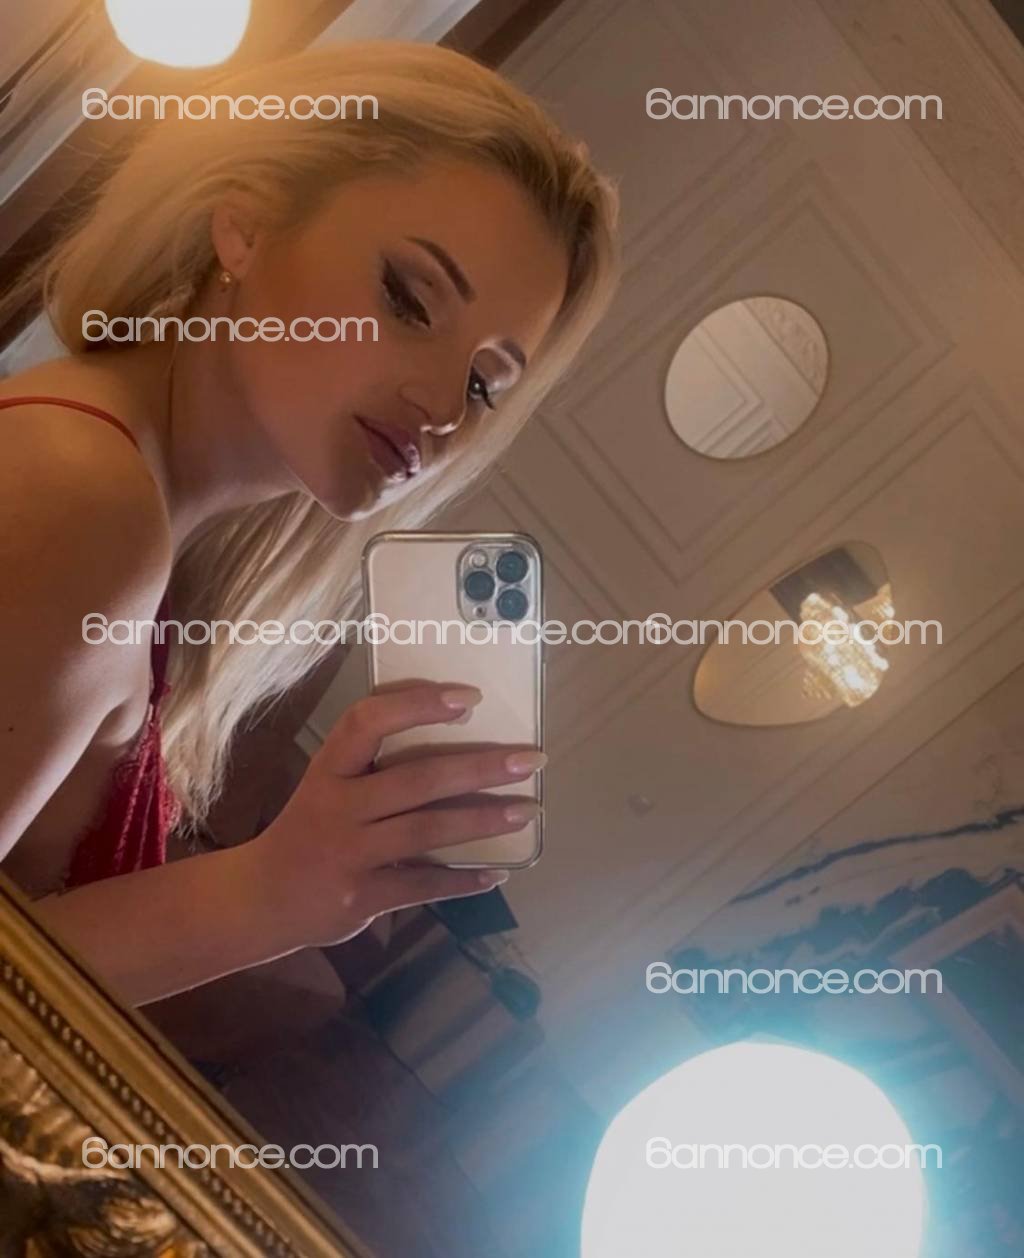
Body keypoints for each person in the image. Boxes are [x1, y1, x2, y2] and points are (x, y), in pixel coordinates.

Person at [0, 41, 620, 1007]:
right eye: (408, 299)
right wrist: (267, 894)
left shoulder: (138, 514)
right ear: (244, 225)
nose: (440, 407)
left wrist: (289, 893)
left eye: (482, 385)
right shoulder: (83, 497)